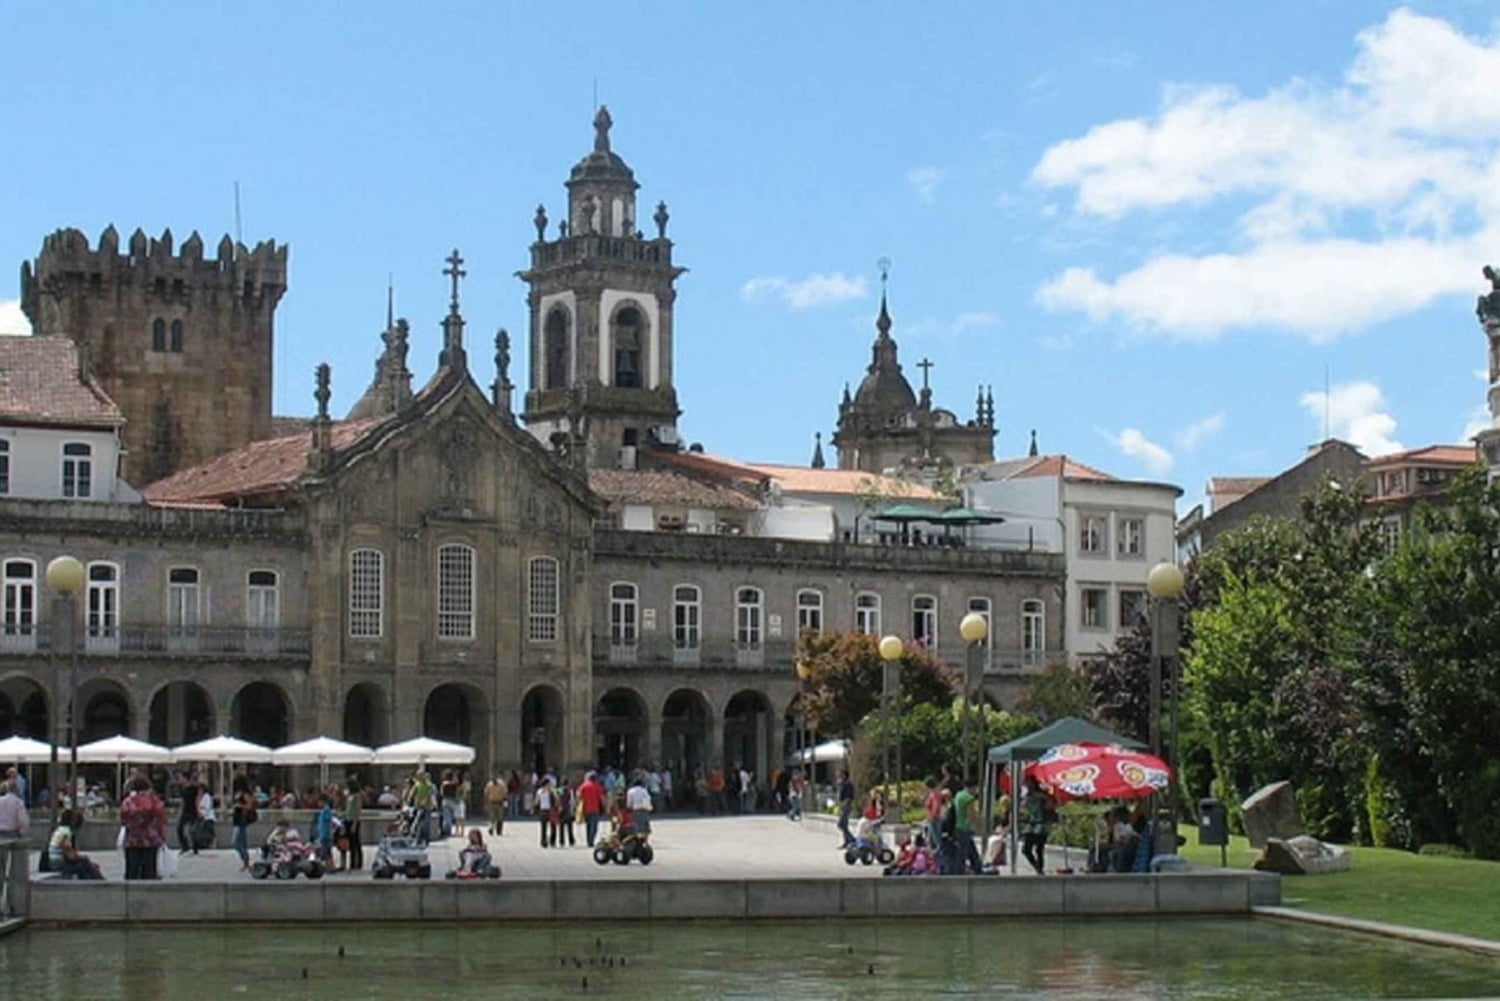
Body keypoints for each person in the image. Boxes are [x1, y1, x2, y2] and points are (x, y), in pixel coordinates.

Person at [49, 810, 103, 880]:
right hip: (59, 861)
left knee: (86, 864)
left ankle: (96, 880)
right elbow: (68, 853)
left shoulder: (61, 829)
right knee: (85, 863)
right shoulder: (66, 832)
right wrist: (80, 858)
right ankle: (99, 881)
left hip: (54, 860)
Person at [1022, 776, 1053, 876]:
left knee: (1039, 849)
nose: (1027, 785)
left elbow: (1050, 806)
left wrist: (1046, 800)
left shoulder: (1041, 796)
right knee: (1026, 850)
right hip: (1030, 826)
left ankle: (1040, 868)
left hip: (1041, 825)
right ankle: (1037, 867)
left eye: (1029, 783)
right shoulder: (1025, 797)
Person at [953, 778, 982, 875]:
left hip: (958, 826)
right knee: (963, 854)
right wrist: (978, 827)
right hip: (965, 828)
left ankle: (978, 870)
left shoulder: (959, 795)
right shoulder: (968, 798)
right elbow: (972, 814)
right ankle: (959, 873)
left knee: (971, 852)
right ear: (973, 787)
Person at [231, 784, 257, 871]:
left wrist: (239, 806)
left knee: (236, 843)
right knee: (241, 842)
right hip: (237, 821)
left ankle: (246, 859)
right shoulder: (239, 793)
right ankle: (246, 862)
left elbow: (249, 806)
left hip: (241, 822)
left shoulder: (245, 794)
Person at [577, 770, 606, 847]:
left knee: (588, 825)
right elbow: (601, 798)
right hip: (595, 808)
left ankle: (589, 840)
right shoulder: (597, 786)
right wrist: (604, 806)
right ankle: (591, 840)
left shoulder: (583, 786)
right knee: (594, 826)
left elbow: (579, 796)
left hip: (586, 808)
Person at [408, 771, 436, 846]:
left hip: (427, 806)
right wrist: (409, 800)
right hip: (418, 806)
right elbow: (412, 793)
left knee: (426, 823)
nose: (419, 778)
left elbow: (430, 794)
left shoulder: (429, 785)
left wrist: (426, 802)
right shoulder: (417, 784)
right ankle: (419, 838)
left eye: (420, 776)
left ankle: (425, 839)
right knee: (418, 823)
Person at [177, 772, 201, 854]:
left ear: (185, 779)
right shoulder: (182, 788)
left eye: (181, 778)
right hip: (185, 811)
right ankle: (185, 846)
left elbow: (197, 799)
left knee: (192, 830)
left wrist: (198, 810)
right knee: (179, 829)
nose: (179, 780)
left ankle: (195, 847)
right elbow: (182, 801)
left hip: (193, 811)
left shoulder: (194, 788)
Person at [343, 779, 364, 871]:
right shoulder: (349, 795)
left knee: (356, 842)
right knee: (350, 843)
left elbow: (358, 810)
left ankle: (358, 863)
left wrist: (355, 823)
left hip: (354, 821)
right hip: (348, 819)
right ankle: (352, 862)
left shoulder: (357, 796)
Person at [624, 771, 653, 837]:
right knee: (645, 826)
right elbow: (648, 799)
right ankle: (645, 840)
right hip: (645, 809)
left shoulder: (630, 791)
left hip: (636, 810)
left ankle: (636, 839)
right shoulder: (644, 790)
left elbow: (629, 803)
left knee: (636, 826)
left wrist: (628, 808)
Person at [535, 776, 557, 848]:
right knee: (544, 827)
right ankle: (544, 841)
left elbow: (556, 800)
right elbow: (537, 801)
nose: (550, 785)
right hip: (544, 810)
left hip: (550, 810)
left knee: (552, 826)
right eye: (549, 784)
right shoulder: (540, 791)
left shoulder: (551, 791)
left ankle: (552, 841)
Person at [835, 772, 855, 848]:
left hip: (846, 806)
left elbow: (849, 797)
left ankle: (852, 839)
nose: (839, 777)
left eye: (841, 775)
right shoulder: (842, 784)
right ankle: (847, 842)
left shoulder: (848, 784)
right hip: (842, 806)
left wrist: (843, 805)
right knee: (844, 825)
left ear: (845, 775)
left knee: (840, 824)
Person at [484, 772, 507, 836]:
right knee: (492, 818)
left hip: (500, 802)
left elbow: (505, 793)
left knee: (500, 818)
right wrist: (486, 803)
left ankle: (499, 831)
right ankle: (491, 829)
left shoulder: (501, 784)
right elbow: (486, 794)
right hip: (492, 803)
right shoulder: (489, 785)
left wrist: (505, 802)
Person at [555, 777, 576, 848]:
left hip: (561, 809)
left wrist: (558, 807)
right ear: (568, 784)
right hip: (568, 809)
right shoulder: (570, 791)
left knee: (561, 826)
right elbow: (572, 801)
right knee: (570, 826)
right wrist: (573, 810)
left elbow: (557, 799)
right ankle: (571, 841)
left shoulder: (558, 790)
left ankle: (561, 841)